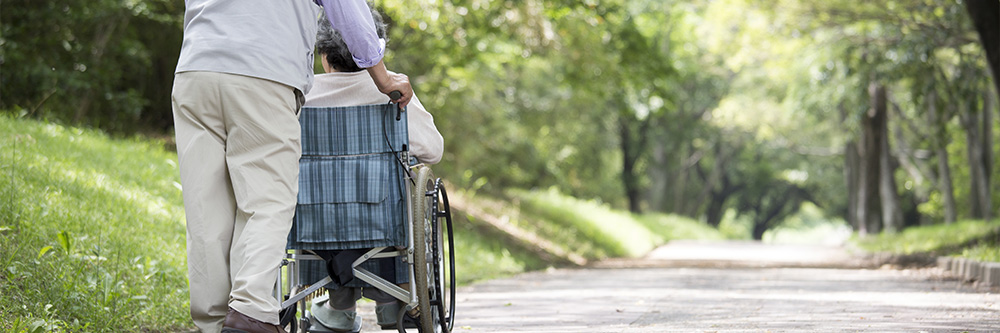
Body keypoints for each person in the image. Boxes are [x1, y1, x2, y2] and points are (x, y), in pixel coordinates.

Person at [170, 1, 412, 332]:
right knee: (267, 202)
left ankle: (214, 324)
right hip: (263, 70)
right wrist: (382, 77)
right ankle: (250, 312)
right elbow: (348, 11)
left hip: (195, 69)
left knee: (205, 208)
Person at [301, 8, 444, 332]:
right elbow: (433, 150)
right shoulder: (393, 93)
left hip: (316, 225)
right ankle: (391, 300)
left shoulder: (304, 93)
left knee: (328, 208)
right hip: (383, 223)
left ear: (323, 56)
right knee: (395, 197)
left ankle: (339, 307)